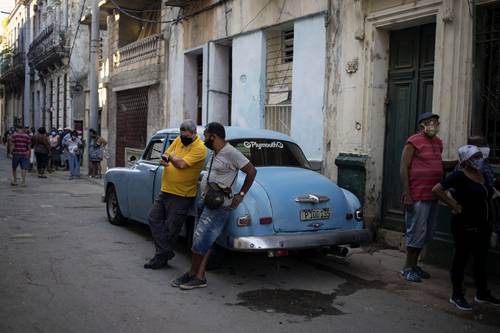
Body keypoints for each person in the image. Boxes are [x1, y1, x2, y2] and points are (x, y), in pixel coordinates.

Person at [172, 122, 257, 290]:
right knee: (203, 240)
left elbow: (252, 171)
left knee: (200, 240)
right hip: (206, 200)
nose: (204, 139)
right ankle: (199, 276)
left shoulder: (231, 152)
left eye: (206, 136)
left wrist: (240, 195)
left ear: (214, 136)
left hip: (219, 205)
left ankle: (191, 273)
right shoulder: (215, 152)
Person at [433, 145, 500, 311]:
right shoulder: (459, 176)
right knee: (460, 260)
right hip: (464, 226)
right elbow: (437, 189)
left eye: (479, 156)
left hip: (483, 226)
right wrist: (454, 205)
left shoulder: (482, 175)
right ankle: (457, 295)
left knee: (480, 260)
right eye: (475, 157)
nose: (479, 159)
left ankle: (482, 293)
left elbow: (489, 196)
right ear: (466, 160)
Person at [144, 120, 207, 269]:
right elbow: (166, 154)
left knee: (171, 229)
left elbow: (181, 164)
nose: (183, 138)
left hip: (182, 194)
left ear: (194, 134)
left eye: (186, 136)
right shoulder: (179, 140)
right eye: (181, 135)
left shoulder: (199, 148)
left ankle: (160, 258)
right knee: (153, 218)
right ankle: (165, 251)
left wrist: (171, 158)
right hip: (166, 189)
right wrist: (165, 159)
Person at [399, 112, 443, 282]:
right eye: (430, 122)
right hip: (417, 194)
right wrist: (407, 194)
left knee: (427, 232)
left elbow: (436, 164)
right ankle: (407, 268)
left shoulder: (438, 143)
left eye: (436, 122)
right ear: (422, 126)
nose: (433, 125)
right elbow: (404, 168)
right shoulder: (414, 141)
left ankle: (415, 265)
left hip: (433, 194)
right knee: (415, 232)